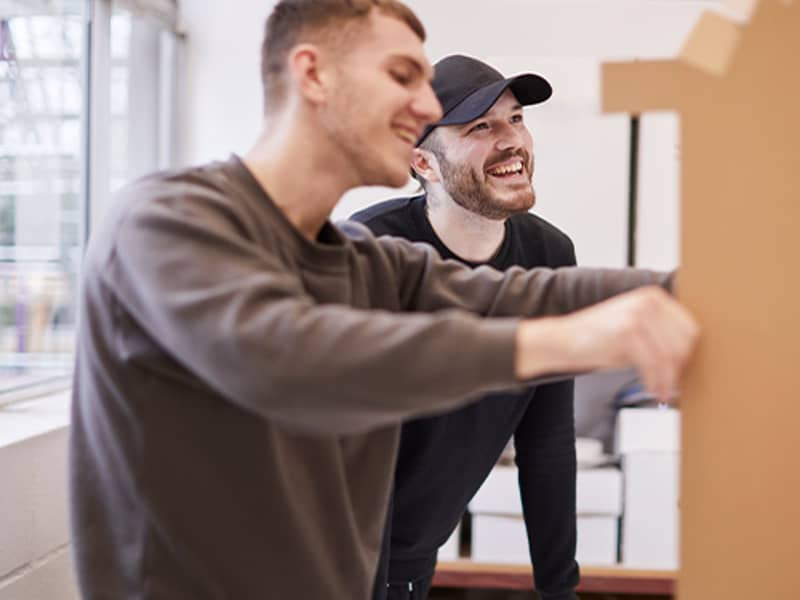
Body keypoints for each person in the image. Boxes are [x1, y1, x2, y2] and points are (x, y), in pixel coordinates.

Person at [69, 1, 698, 599]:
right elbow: (290, 359)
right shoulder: (166, 221)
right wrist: (569, 338)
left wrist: (703, 287)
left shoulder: (355, 261)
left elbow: (518, 294)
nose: (424, 103)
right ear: (314, 76)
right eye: (402, 77)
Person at [352, 54, 582, 600]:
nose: (511, 140)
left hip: (409, 557)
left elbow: (546, 439)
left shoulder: (549, 258)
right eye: (481, 126)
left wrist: (560, 591)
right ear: (424, 164)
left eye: (516, 118)